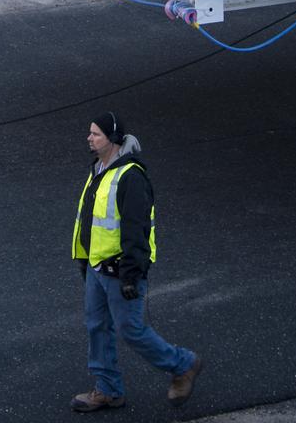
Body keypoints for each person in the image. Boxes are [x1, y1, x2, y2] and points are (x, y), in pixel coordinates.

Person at [69, 111, 202, 412]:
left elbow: (136, 230)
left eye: (96, 134)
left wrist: (130, 274)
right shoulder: (99, 168)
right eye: (90, 133)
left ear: (113, 138)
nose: (89, 138)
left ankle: (183, 364)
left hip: (120, 271)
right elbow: (89, 220)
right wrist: (83, 259)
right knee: (97, 326)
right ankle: (108, 390)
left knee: (132, 330)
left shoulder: (131, 177)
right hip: (96, 267)